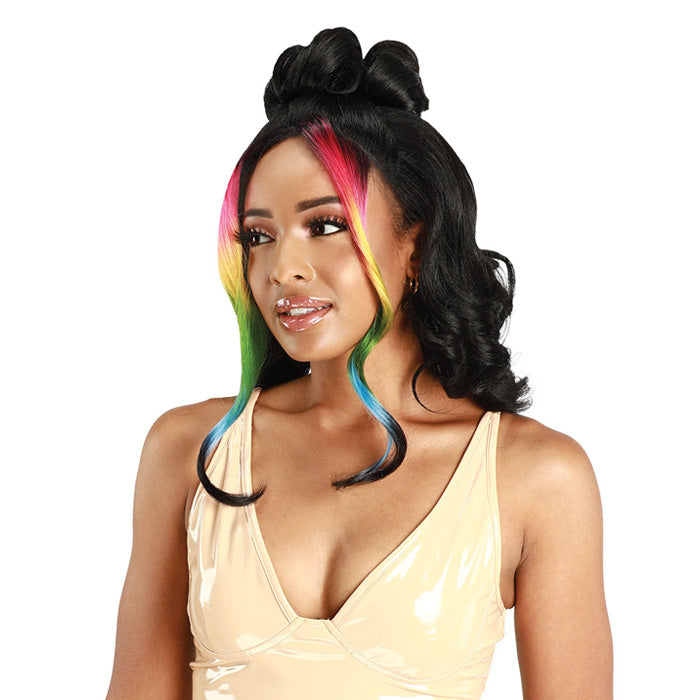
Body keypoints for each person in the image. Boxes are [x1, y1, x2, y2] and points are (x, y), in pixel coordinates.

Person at [106, 27, 613, 700]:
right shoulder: (190, 452)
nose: (282, 268)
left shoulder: (535, 478)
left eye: (324, 225)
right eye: (258, 236)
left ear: (415, 246)